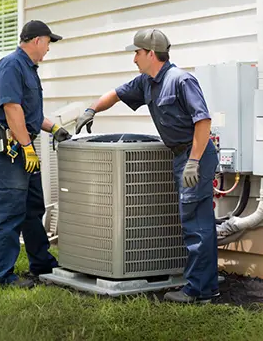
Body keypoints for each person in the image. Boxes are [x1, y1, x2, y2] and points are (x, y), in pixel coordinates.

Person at [74, 28, 220, 303]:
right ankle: (206, 286)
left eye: (137, 53)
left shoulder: (181, 80)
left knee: (195, 223)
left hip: (195, 155)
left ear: (151, 54)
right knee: (196, 221)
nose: (134, 59)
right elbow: (116, 94)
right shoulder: (146, 82)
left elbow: (203, 121)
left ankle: (198, 290)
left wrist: (193, 162)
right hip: (181, 155)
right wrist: (91, 109)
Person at [0, 20, 72, 288]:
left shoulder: (29, 69)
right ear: (36, 40)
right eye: (48, 43)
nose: (48, 49)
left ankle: (42, 264)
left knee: (32, 208)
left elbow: (27, 113)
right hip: (13, 148)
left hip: (25, 145)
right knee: (10, 210)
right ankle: (2, 276)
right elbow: (11, 109)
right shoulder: (12, 65)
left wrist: (53, 128)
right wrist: (25, 146)